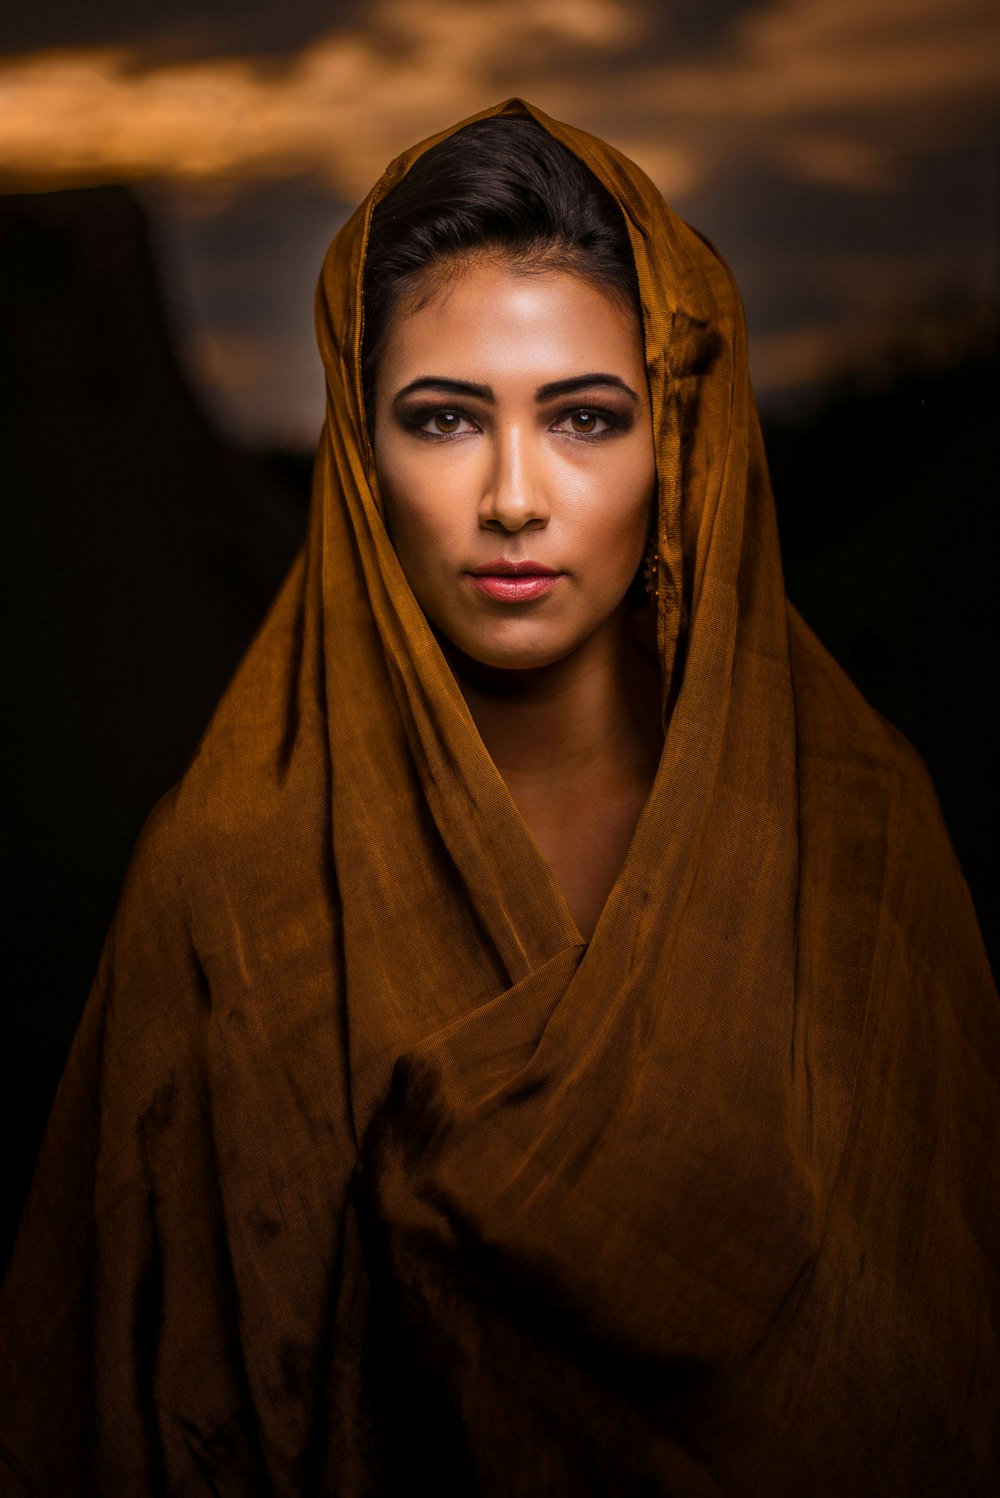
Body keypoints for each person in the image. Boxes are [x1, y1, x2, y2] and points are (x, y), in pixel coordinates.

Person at [0, 98, 996, 1496]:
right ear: (359, 456)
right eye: (444, 419)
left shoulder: (859, 842)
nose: (514, 497)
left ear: (682, 442)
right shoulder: (230, 877)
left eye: (586, 417)